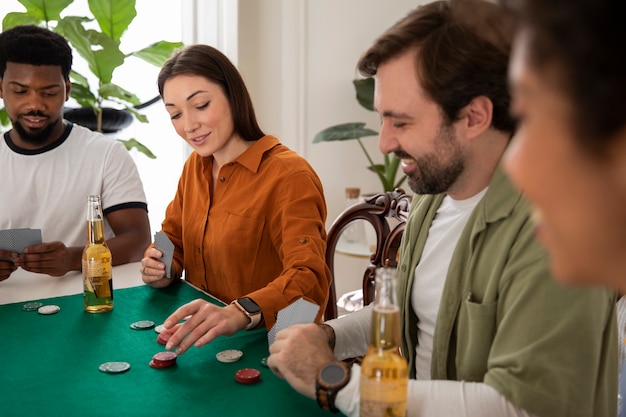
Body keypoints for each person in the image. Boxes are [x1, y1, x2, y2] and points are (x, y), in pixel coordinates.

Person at [266, 1, 617, 416]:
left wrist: (338, 382)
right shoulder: (432, 192)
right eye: (382, 119)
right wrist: (326, 336)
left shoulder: (554, 225)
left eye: (402, 122)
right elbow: (412, 312)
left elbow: (524, 407)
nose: (384, 143)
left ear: (473, 117)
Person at [140, 44, 330, 350]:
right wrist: (160, 263)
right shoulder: (195, 166)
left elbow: (310, 282)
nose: (188, 125)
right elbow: (170, 235)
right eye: (174, 114)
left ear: (233, 95)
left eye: (200, 105)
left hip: (268, 344)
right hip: (202, 340)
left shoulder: (289, 175)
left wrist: (242, 312)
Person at [498, 0, 626, 415]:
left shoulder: (292, 174)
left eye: (529, 116)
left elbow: (308, 280)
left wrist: (289, 324)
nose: (513, 165)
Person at [0, 25, 151, 282]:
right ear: (1, 88)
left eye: (49, 92)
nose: (35, 104)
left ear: (67, 89)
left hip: (88, 302)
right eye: (20, 91)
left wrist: (75, 258)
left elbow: (139, 241)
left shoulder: (105, 154)